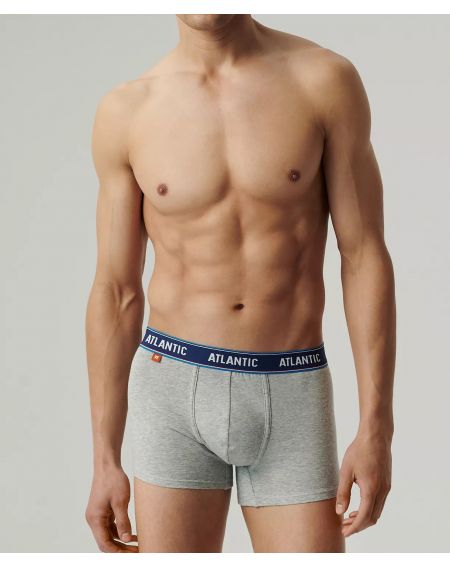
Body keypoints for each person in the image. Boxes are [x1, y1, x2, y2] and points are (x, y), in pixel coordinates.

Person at [84, 14, 395, 553]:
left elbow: (364, 255)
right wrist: (104, 458)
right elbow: (116, 290)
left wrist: (377, 427)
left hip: (292, 387)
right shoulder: (128, 111)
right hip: (172, 390)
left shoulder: (323, 81)